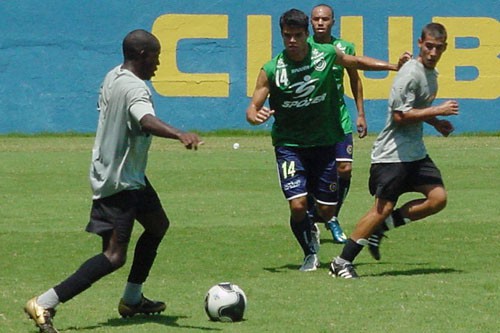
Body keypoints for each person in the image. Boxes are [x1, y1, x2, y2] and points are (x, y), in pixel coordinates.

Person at [24, 29, 203, 333]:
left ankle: (132, 299)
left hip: (128, 175)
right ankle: (44, 302)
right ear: (143, 55)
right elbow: (144, 119)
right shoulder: (136, 89)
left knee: (158, 224)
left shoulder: (113, 76)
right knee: (114, 255)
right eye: (156, 57)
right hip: (118, 181)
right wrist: (178, 134)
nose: (159, 64)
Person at [246, 8, 410, 272]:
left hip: (324, 144)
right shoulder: (272, 69)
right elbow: (252, 107)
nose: (292, 41)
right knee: (298, 205)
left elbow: (356, 63)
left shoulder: (327, 55)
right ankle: (310, 252)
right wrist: (256, 116)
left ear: (306, 35)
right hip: (290, 146)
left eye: (297, 35)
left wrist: (393, 66)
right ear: (282, 35)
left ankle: (322, 222)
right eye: (287, 35)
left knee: (326, 209)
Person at [329, 22, 459, 279]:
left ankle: (380, 230)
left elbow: (415, 108)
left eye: (439, 48)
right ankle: (341, 261)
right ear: (420, 43)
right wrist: (437, 111)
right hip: (391, 155)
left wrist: (436, 123)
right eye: (429, 47)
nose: (433, 52)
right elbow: (400, 116)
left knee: (437, 199)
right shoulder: (410, 73)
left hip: (415, 153)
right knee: (382, 208)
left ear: (445, 47)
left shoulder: (431, 74)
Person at [307, 3, 367, 244]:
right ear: (310, 22)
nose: (320, 23)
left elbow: (355, 78)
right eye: (316, 19)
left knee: (344, 169)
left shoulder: (344, 48)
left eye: (325, 19)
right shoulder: (303, 47)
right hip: (312, 122)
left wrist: (360, 113)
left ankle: (331, 217)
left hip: (338, 118)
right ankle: (313, 217)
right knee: (314, 171)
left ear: (333, 22)